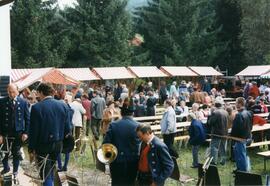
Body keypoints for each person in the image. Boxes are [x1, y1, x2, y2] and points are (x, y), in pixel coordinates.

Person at [28, 83, 72, 186]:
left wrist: (31, 148)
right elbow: (68, 128)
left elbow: (34, 131)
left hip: (43, 145)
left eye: (38, 93)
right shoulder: (63, 105)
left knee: (45, 173)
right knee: (51, 168)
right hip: (58, 144)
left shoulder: (36, 107)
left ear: (40, 92)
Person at [103, 97, 140, 186]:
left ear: (121, 112)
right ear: (133, 113)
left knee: (116, 183)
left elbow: (105, 144)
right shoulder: (138, 126)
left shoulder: (113, 125)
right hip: (133, 162)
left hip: (116, 162)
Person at [0, 84, 30, 181]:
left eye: (13, 92)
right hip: (5, 132)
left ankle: (15, 172)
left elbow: (27, 119)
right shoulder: (2, 101)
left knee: (16, 153)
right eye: (9, 92)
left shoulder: (23, 102)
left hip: (18, 133)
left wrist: (26, 133)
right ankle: (6, 167)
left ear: (17, 91)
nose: (11, 94)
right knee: (4, 152)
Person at [231, 97, 253, 172]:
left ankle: (243, 171)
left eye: (236, 102)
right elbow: (251, 126)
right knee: (239, 154)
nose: (235, 104)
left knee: (241, 155)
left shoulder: (239, 115)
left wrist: (232, 136)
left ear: (239, 104)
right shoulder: (249, 112)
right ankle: (239, 168)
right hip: (247, 136)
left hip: (240, 138)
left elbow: (236, 128)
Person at [207, 101, 228, 165]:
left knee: (214, 147)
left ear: (215, 106)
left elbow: (210, 123)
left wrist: (209, 117)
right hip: (224, 132)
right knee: (223, 147)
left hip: (216, 132)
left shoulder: (215, 112)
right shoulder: (225, 112)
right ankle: (223, 161)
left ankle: (213, 161)